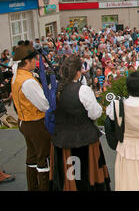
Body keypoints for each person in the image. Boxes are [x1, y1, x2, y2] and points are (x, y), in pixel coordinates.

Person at [49, 55, 110, 191]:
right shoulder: (83, 90)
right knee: (86, 177)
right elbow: (95, 113)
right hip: (84, 139)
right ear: (77, 72)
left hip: (62, 139)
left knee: (70, 178)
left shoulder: (55, 89)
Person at [11, 41, 51, 191]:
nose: (35, 61)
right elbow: (44, 105)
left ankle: (32, 187)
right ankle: (44, 188)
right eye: (34, 59)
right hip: (36, 124)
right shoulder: (28, 82)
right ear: (26, 61)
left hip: (24, 122)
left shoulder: (17, 75)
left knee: (32, 156)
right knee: (43, 157)